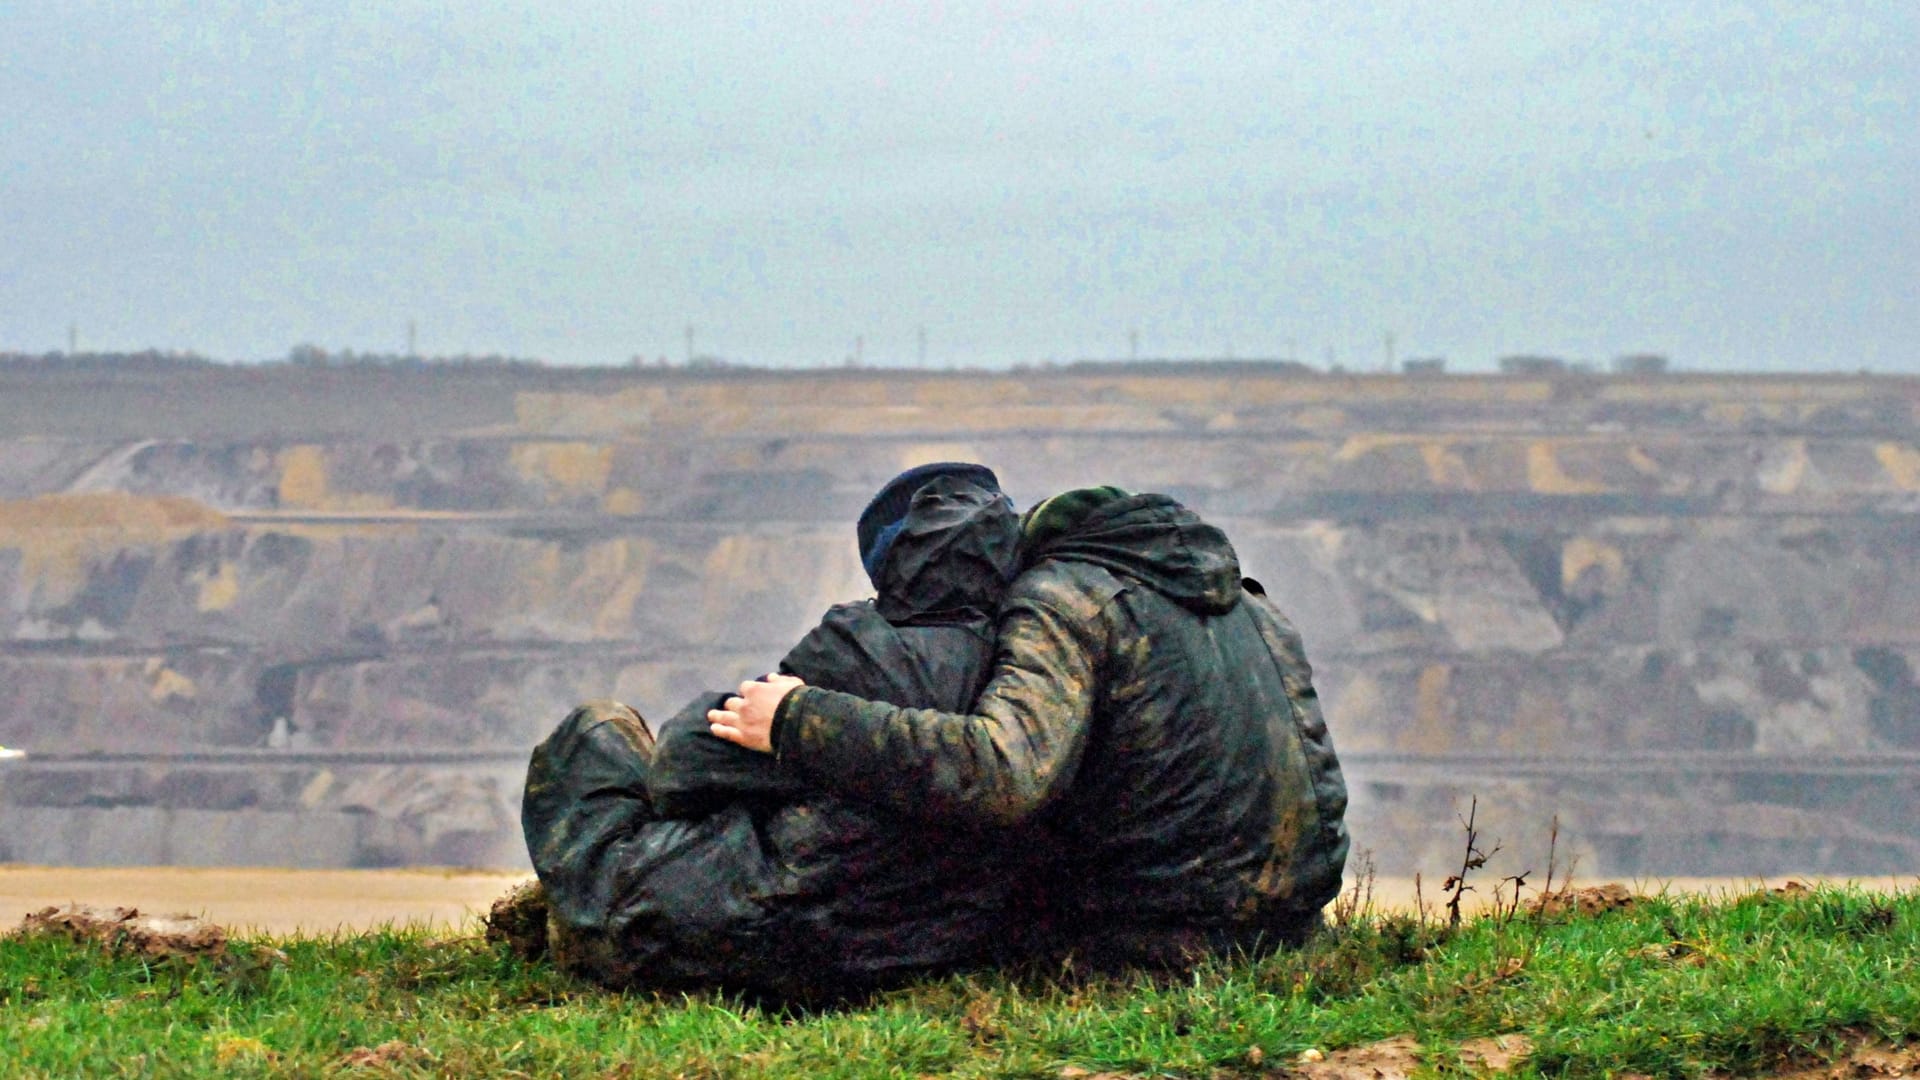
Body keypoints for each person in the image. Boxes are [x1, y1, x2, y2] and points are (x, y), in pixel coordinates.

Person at [710, 485, 1349, 967]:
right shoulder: (1253, 606)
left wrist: (798, 718)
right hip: (1291, 926)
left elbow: (1005, 773)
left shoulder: (1062, 599)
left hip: (1166, 941)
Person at [519, 464, 1035, 997]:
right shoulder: (1031, 668)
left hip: (755, 934)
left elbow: (681, 767)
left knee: (597, 732)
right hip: (907, 952)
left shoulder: (857, 646)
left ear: (893, 564)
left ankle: (583, 936)